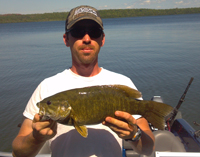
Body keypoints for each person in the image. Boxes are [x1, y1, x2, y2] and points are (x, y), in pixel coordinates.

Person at [12, 5, 155, 157]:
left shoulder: (122, 83)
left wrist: (134, 135)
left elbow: (148, 149)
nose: (87, 39)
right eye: (78, 32)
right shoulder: (46, 87)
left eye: (94, 32)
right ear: (66, 39)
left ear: (102, 39)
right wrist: (36, 138)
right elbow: (18, 152)